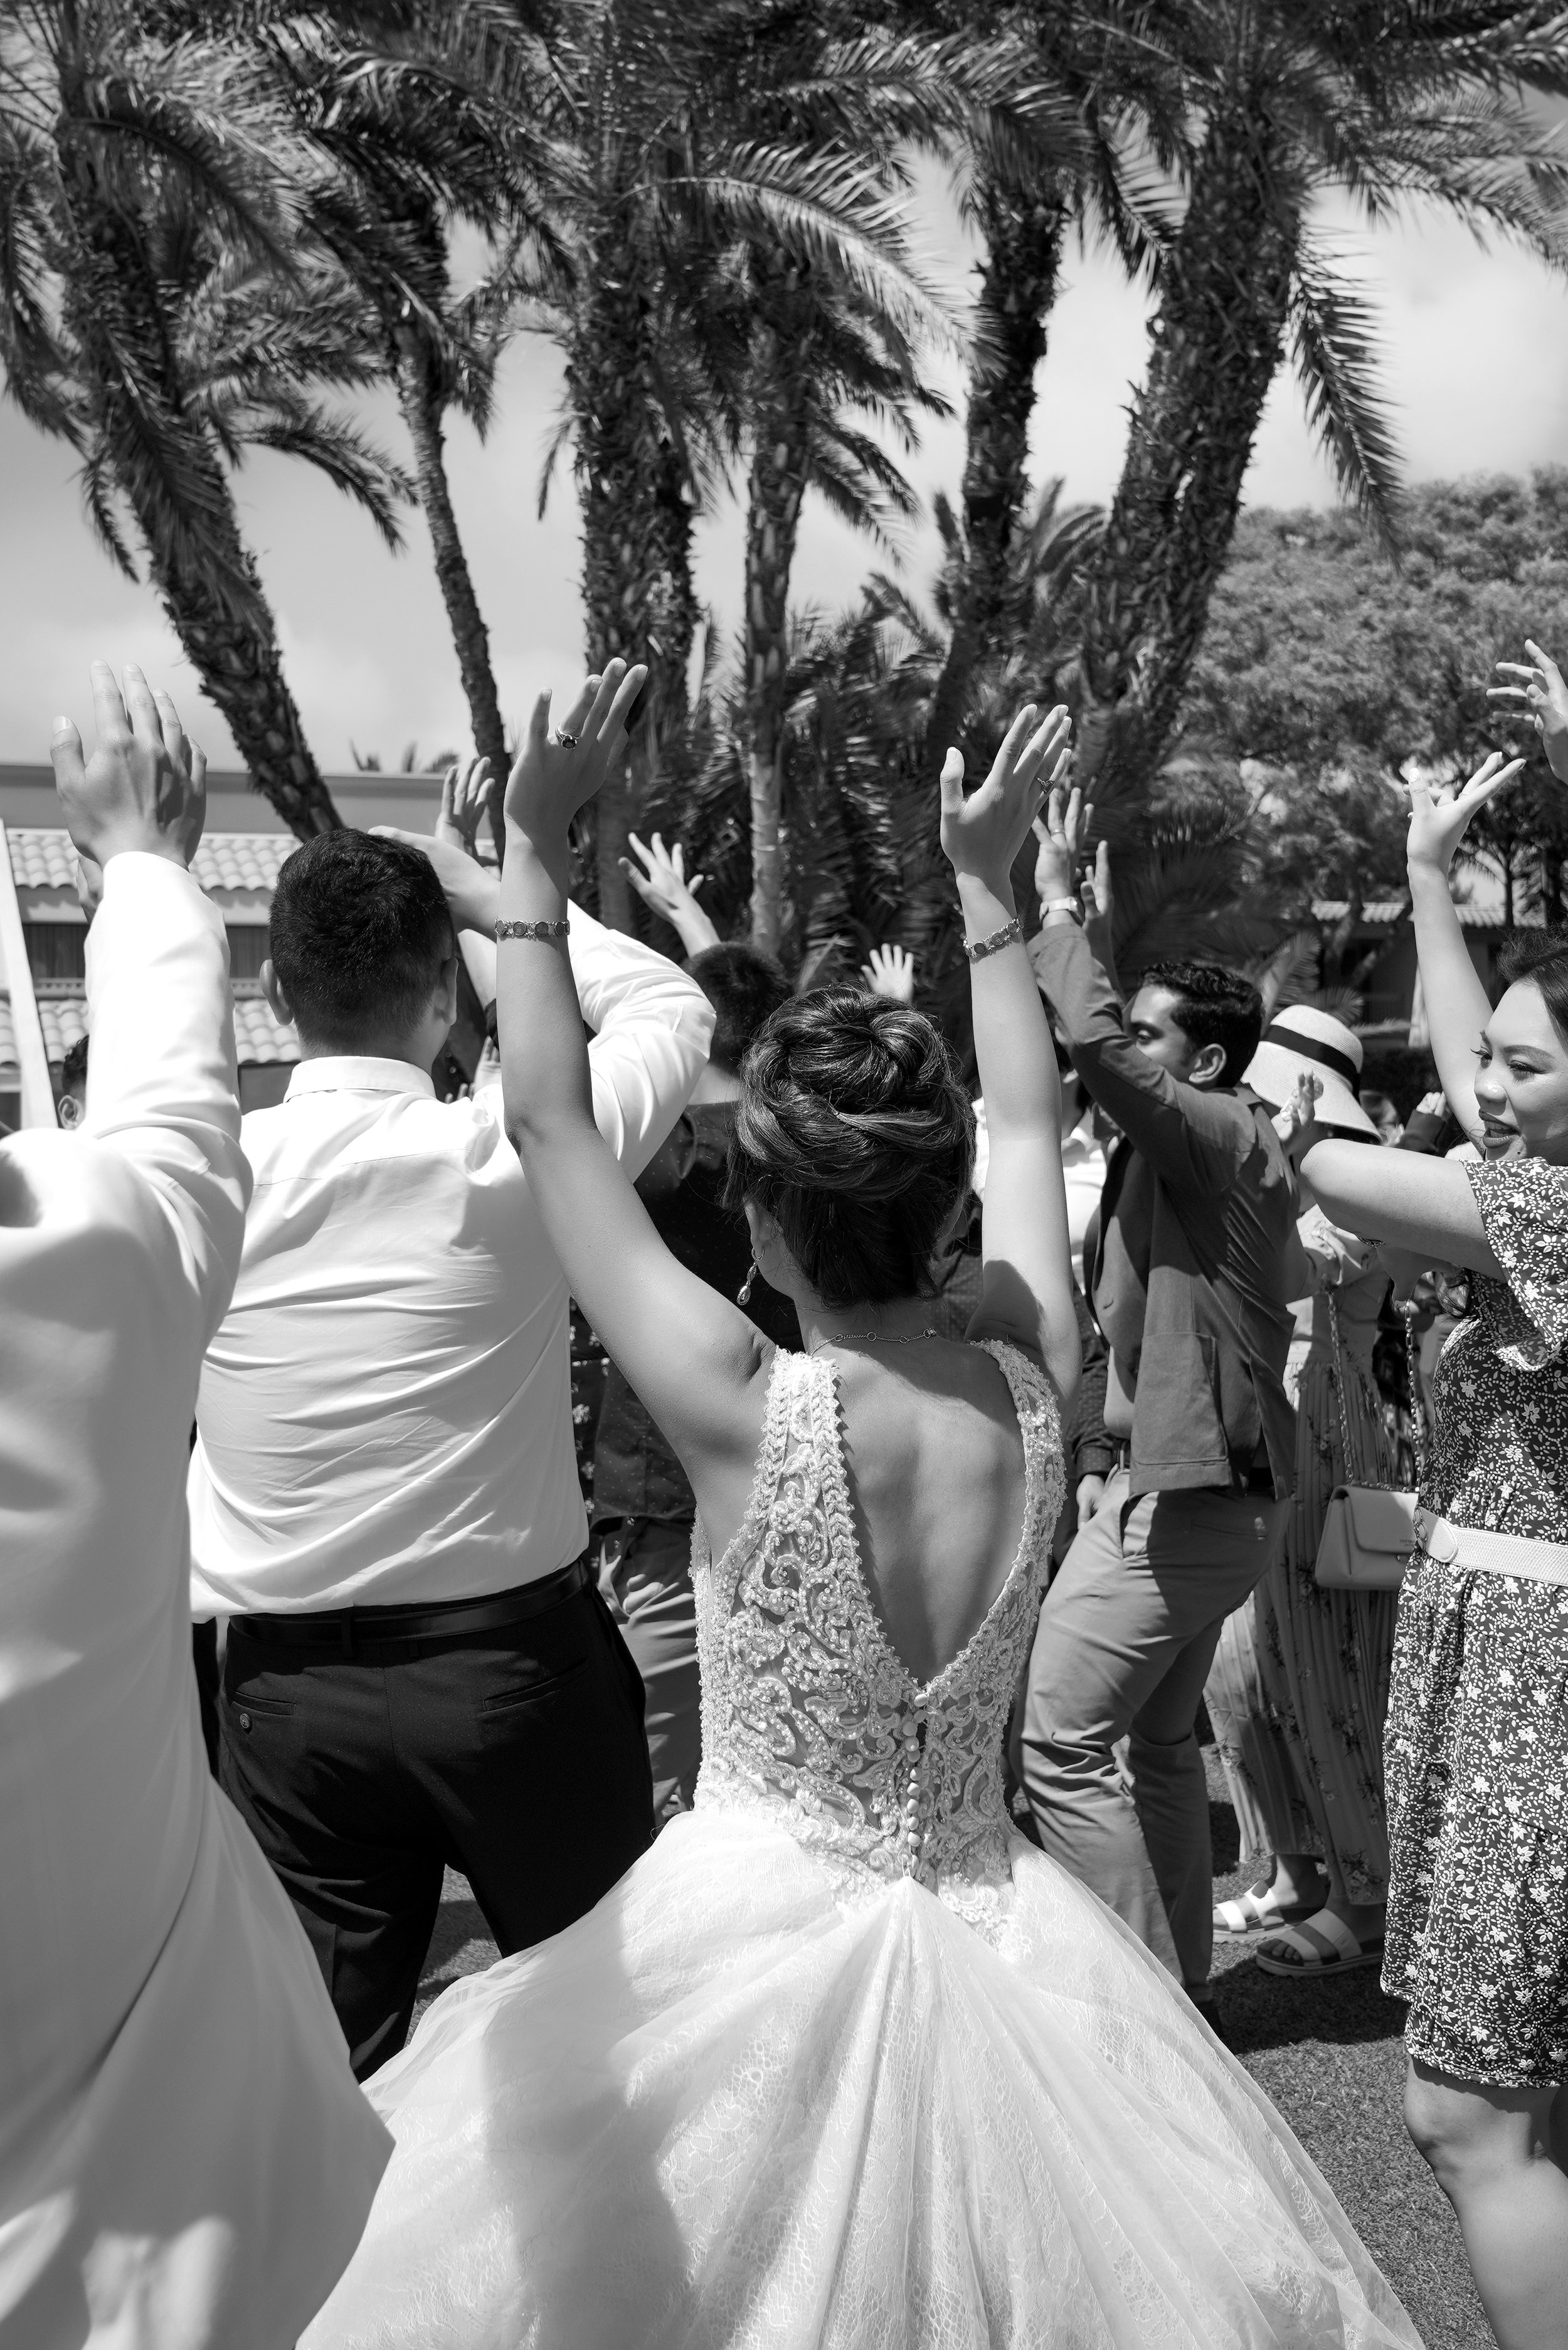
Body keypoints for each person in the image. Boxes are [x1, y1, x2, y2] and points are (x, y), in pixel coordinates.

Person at [304, 676, 1418, 2350]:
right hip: (1005, 1941)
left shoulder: (744, 1406)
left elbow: (544, 1119)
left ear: (760, 1217)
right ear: (942, 1195)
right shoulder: (1033, 1380)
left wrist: (529, 856)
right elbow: (1036, 1115)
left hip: (749, 1937)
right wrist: (989, 899)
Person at [187, 702, 715, 2082]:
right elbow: (669, 1006)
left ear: (279, 994)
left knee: (327, 2067)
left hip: (284, 1695)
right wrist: (501, 889)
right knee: (604, 2047)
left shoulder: (206, 1180)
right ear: (443, 989)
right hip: (508, 1676)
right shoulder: (507, 1155)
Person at [0, 664, 388, 2348]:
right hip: (188, 2236)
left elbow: (161, 1149)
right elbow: (169, 1140)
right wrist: (147, 861)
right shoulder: (72, 1295)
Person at [1305, 734, 1567, 2350]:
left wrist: (1264, 1090)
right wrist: (1422, 878)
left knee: (1462, 2114)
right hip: (1500, 1656)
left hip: (1538, 1679)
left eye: (1531, 1068)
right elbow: (1477, 1080)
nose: (1487, 1082)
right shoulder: (1527, 1183)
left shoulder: (1545, 1214)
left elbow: (1321, 1158)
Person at [1017, 788, 1300, 2023]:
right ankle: (1179, 1989)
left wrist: (1060, 905)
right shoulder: (1172, 1149)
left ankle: (1133, 2020)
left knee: (1057, 1740)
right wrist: (1092, 1448)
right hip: (1183, 1498)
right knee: (1152, 1747)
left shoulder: (1223, 1135)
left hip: (1185, 1507)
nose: (1123, 1051)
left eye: (1148, 1038)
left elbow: (1091, 1044)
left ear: (1201, 1064)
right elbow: (1115, 1335)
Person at [593, 940, 802, 1822]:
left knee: (645, 1787)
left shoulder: (643, 1153)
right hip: (785, 1488)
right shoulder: (800, 1155)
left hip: (656, 1503)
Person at [1207, 1014, 1399, 1974]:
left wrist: (1276, 1169)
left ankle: (1367, 1901)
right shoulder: (1287, 1175)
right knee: (1249, 1675)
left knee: (1332, 1677)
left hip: (1336, 1460)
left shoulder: (1361, 1192)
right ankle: (1297, 1871)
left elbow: (1295, 1263)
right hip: (1272, 1444)